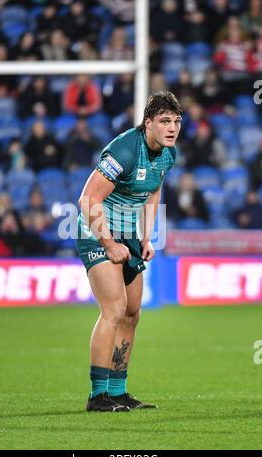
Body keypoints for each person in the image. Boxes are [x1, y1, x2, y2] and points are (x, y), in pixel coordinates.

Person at [76, 91, 182, 412]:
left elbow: (153, 190)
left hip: (129, 236)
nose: (172, 128)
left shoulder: (168, 154)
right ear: (147, 122)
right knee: (114, 308)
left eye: (176, 121)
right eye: (165, 121)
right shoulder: (124, 150)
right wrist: (108, 242)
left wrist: (146, 238)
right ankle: (98, 396)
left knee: (133, 312)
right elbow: (87, 200)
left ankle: (119, 392)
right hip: (97, 232)